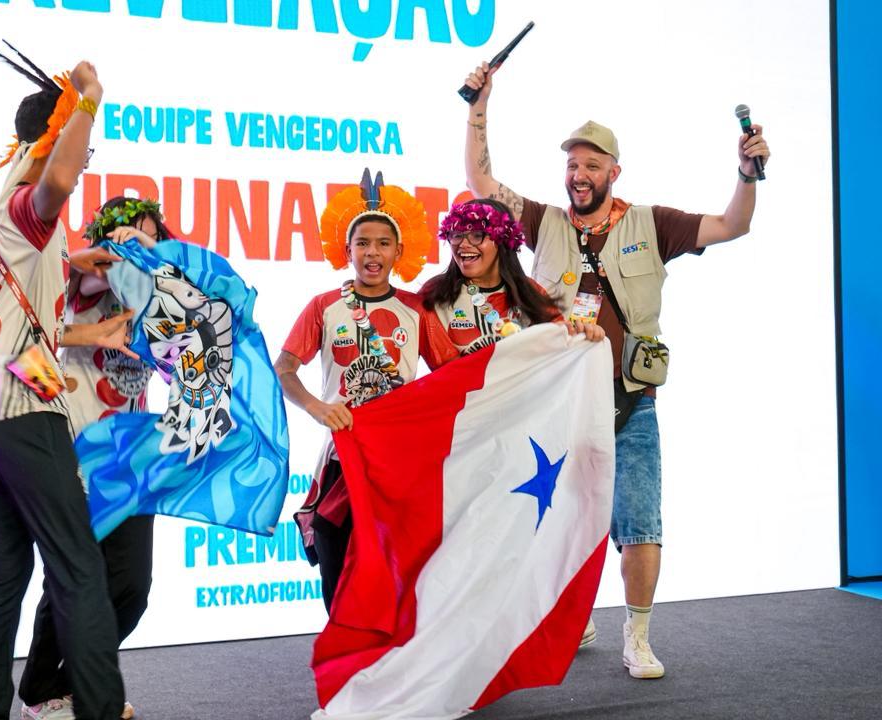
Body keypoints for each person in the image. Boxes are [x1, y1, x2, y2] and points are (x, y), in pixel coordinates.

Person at [462, 61, 770, 679]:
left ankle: (639, 634)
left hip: (630, 400)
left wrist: (746, 173)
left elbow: (735, 224)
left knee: (639, 520)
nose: (579, 175)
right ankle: (574, 615)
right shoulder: (542, 221)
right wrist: (478, 106)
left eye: (591, 165)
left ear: (613, 172)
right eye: (573, 165)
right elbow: (480, 180)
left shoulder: (650, 223)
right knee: (556, 518)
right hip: (556, 403)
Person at [0, 49, 133, 720]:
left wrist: (72, 261)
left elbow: (16, 306)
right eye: (80, 148)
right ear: (57, 136)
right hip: (24, 410)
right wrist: (89, 95)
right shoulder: (31, 207)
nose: (84, 163)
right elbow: (57, 178)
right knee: (78, 566)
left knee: (5, 572)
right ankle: (99, 708)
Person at [19, 196, 170, 720]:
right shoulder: (68, 282)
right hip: (72, 456)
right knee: (70, 581)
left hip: (131, 463)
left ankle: (72, 683)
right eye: (125, 236)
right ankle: (42, 694)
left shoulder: (155, 301)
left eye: (147, 239)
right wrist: (63, 371)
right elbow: (14, 343)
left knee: (132, 587)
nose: (134, 249)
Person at [278, 170, 456, 612]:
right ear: (348, 250)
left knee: (397, 574)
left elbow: (453, 375)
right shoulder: (324, 307)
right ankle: (348, 668)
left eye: (382, 243)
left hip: (399, 464)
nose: (372, 252)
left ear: (399, 250)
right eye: (363, 243)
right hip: (344, 459)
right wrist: (318, 408)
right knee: (336, 573)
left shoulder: (417, 309)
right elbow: (283, 369)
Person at [420, 197, 604, 353]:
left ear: (503, 240)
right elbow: (443, 373)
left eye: (477, 235)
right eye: (457, 234)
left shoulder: (530, 291)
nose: (463, 244)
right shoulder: (434, 294)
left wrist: (584, 336)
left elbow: (556, 347)